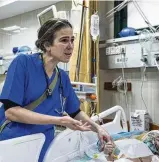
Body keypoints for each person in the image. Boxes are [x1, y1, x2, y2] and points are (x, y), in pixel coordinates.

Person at [0, 18, 113, 162]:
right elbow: (11, 112)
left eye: (72, 40)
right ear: (47, 44)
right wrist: (59, 120)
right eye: (64, 40)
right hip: (15, 144)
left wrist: (98, 129)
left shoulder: (62, 78)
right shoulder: (23, 63)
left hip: (44, 145)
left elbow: (76, 112)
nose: (70, 46)